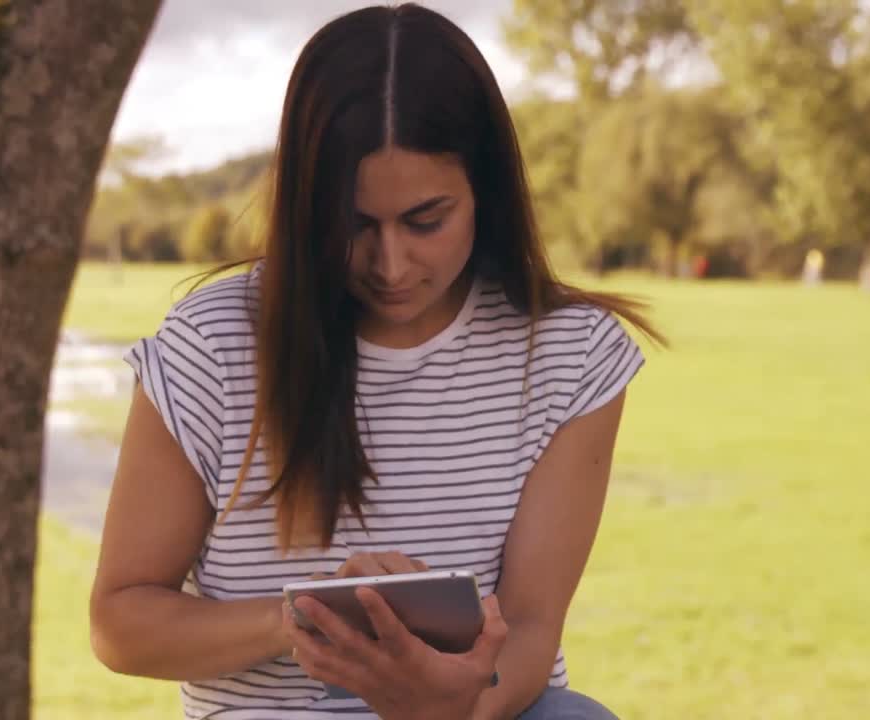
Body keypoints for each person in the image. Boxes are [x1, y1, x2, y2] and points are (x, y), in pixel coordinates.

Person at [89, 4, 660, 719]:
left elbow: (533, 626)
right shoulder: (213, 344)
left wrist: (442, 711)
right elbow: (120, 622)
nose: (391, 265)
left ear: (486, 191)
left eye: (426, 220)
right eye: (354, 224)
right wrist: (312, 620)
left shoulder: (571, 354)